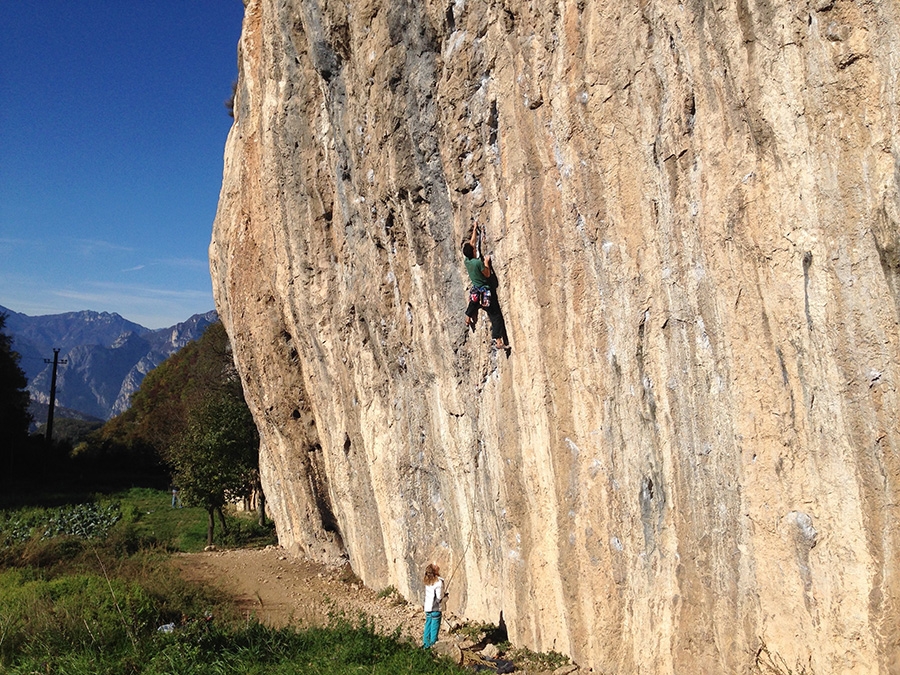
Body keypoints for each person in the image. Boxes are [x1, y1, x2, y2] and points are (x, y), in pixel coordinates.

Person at [462, 220, 509, 351]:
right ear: (472, 252)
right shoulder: (477, 263)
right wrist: (487, 262)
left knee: (474, 303)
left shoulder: (467, 261)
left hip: (476, 291)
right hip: (485, 292)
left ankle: (467, 317)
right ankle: (498, 340)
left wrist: (475, 229)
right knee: (495, 315)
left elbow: (472, 244)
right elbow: (487, 274)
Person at [422, 563, 445, 648]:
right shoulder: (439, 581)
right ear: (435, 571)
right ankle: (432, 647)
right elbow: (439, 597)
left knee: (427, 626)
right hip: (435, 609)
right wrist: (445, 596)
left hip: (428, 608)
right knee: (434, 629)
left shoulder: (427, 581)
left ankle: (425, 646)